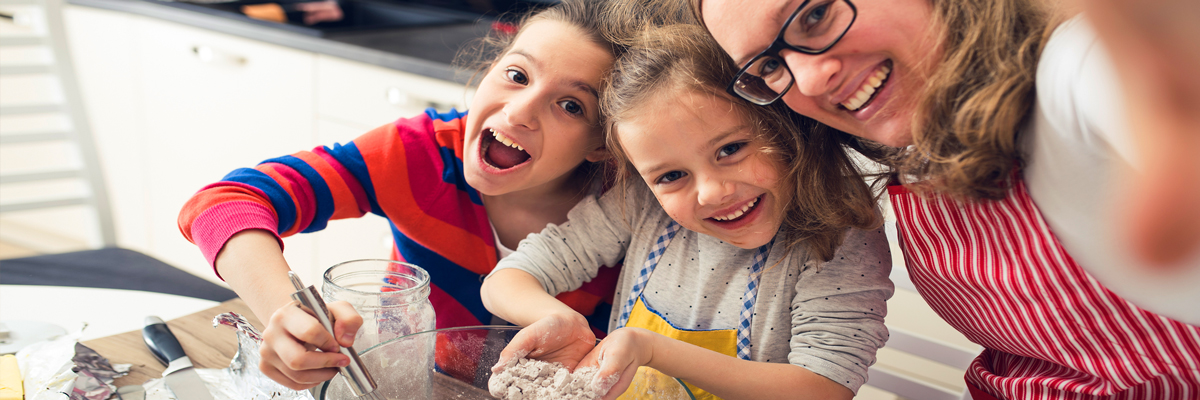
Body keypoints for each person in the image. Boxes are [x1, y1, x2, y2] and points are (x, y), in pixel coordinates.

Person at [696, 0, 1200, 398]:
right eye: (768, 66)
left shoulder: (1073, 73)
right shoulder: (912, 159)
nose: (807, 80)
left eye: (815, 14)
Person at [176, 0, 628, 390]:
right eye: (516, 74)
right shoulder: (419, 155)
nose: (519, 111)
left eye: (571, 106)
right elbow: (223, 203)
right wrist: (287, 314)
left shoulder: (631, 214)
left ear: (602, 143)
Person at [480, 24, 892, 400]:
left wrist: (652, 349)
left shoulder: (840, 233)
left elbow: (823, 388)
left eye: (730, 150)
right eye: (672, 175)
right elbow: (506, 280)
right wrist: (556, 318)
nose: (713, 192)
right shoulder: (642, 206)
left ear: (779, 126)